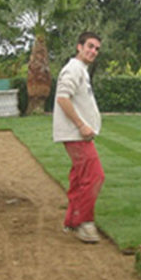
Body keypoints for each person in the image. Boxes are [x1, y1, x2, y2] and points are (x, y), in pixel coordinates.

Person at [53, 31, 105, 244]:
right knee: (94, 176)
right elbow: (62, 98)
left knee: (79, 177)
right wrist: (81, 125)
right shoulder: (74, 69)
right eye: (90, 46)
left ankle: (72, 221)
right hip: (76, 135)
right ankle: (85, 223)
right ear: (79, 47)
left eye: (96, 49)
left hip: (79, 135)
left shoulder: (80, 70)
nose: (93, 51)